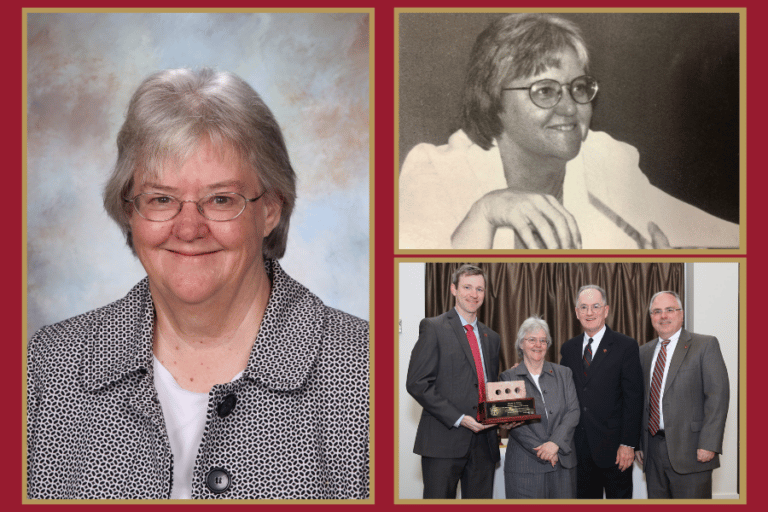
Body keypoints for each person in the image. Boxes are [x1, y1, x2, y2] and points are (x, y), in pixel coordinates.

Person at [26, 68, 369, 500]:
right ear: (129, 211)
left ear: (270, 210)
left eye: (221, 199)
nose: (188, 229)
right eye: (161, 199)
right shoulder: (49, 368)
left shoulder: (365, 371)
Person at [398, 13, 738, 250]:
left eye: (578, 87)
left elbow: (728, 240)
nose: (570, 107)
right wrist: (485, 213)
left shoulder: (603, 159)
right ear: (493, 99)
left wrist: (676, 271)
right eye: (544, 91)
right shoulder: (436, 173)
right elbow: (420, 311)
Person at [405, 264, 501, 499]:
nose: (473, 294)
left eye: (479, 289)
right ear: (453, 289)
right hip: (443, 442)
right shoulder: (433, 327)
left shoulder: (492, 338)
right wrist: (460, 419)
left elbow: (488, 386)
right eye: (467, 287)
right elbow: (417, 383)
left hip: (484, 445)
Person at [635, 291, 729, 499]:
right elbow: (640, 401)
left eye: (670, 310)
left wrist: (709, 443)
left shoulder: (705, 345)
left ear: (681, 314)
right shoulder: (644, 352)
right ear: (651, 317)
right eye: (657, 312)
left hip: (693, 451)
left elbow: (717, 397)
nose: (663, 316)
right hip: (653, 453)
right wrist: (640, 444)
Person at [559, 285, 643, 498]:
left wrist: (628, 444)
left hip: (616, 451)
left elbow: (634, 399)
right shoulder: (568, 348)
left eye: (595, 306)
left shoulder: (626, 346)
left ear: (606, 310)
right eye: (584, 307)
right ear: (576, 313)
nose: (590, 313)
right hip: (579, 451)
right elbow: (560, 388)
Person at [499, 316, 579, 499]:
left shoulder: (564, 373)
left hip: (562, 464)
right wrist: (544, 450)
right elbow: (515, 423)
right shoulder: (508, 378)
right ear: (521, 344)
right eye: (532, 340)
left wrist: (554, 444)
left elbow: (573, 412)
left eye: (543, 340)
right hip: (524, 468)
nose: (538, 345)